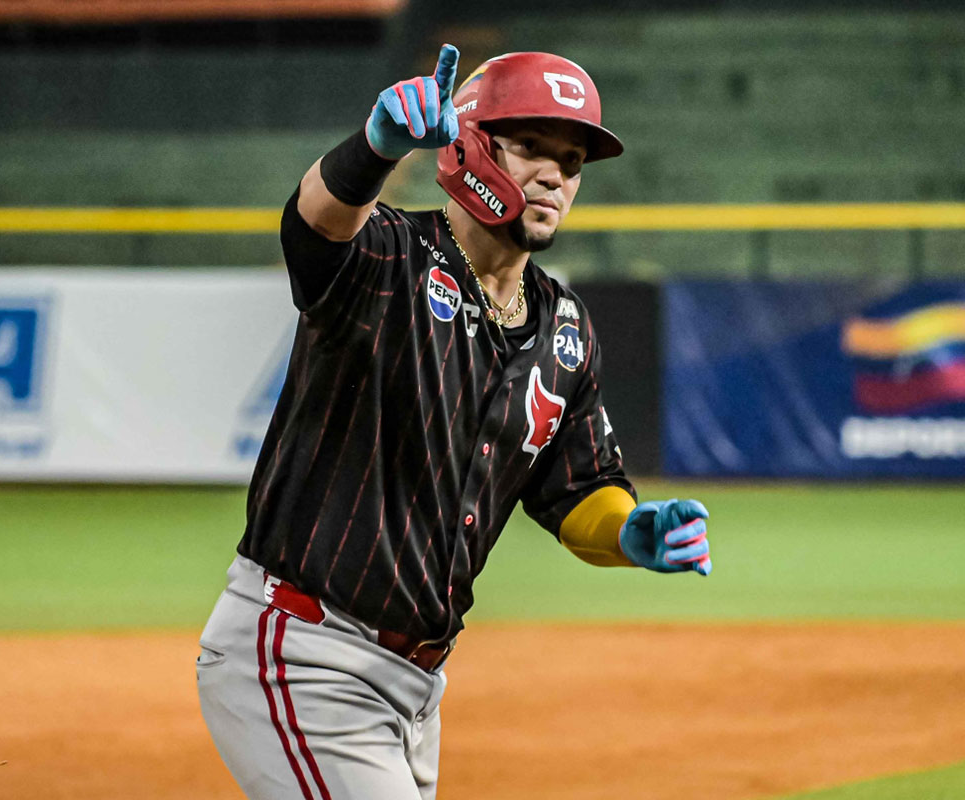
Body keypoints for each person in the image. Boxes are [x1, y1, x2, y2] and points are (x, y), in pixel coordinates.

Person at [196, 44, 712, 800]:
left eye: (571, 161)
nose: (554, 176)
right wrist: (372, 150)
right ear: (471, 144)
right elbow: (311, 228)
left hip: (416, 689)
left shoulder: (564, 328)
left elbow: (578, 488)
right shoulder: (389, 260)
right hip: (304, 653)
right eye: (531, 145)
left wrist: (628, 532)